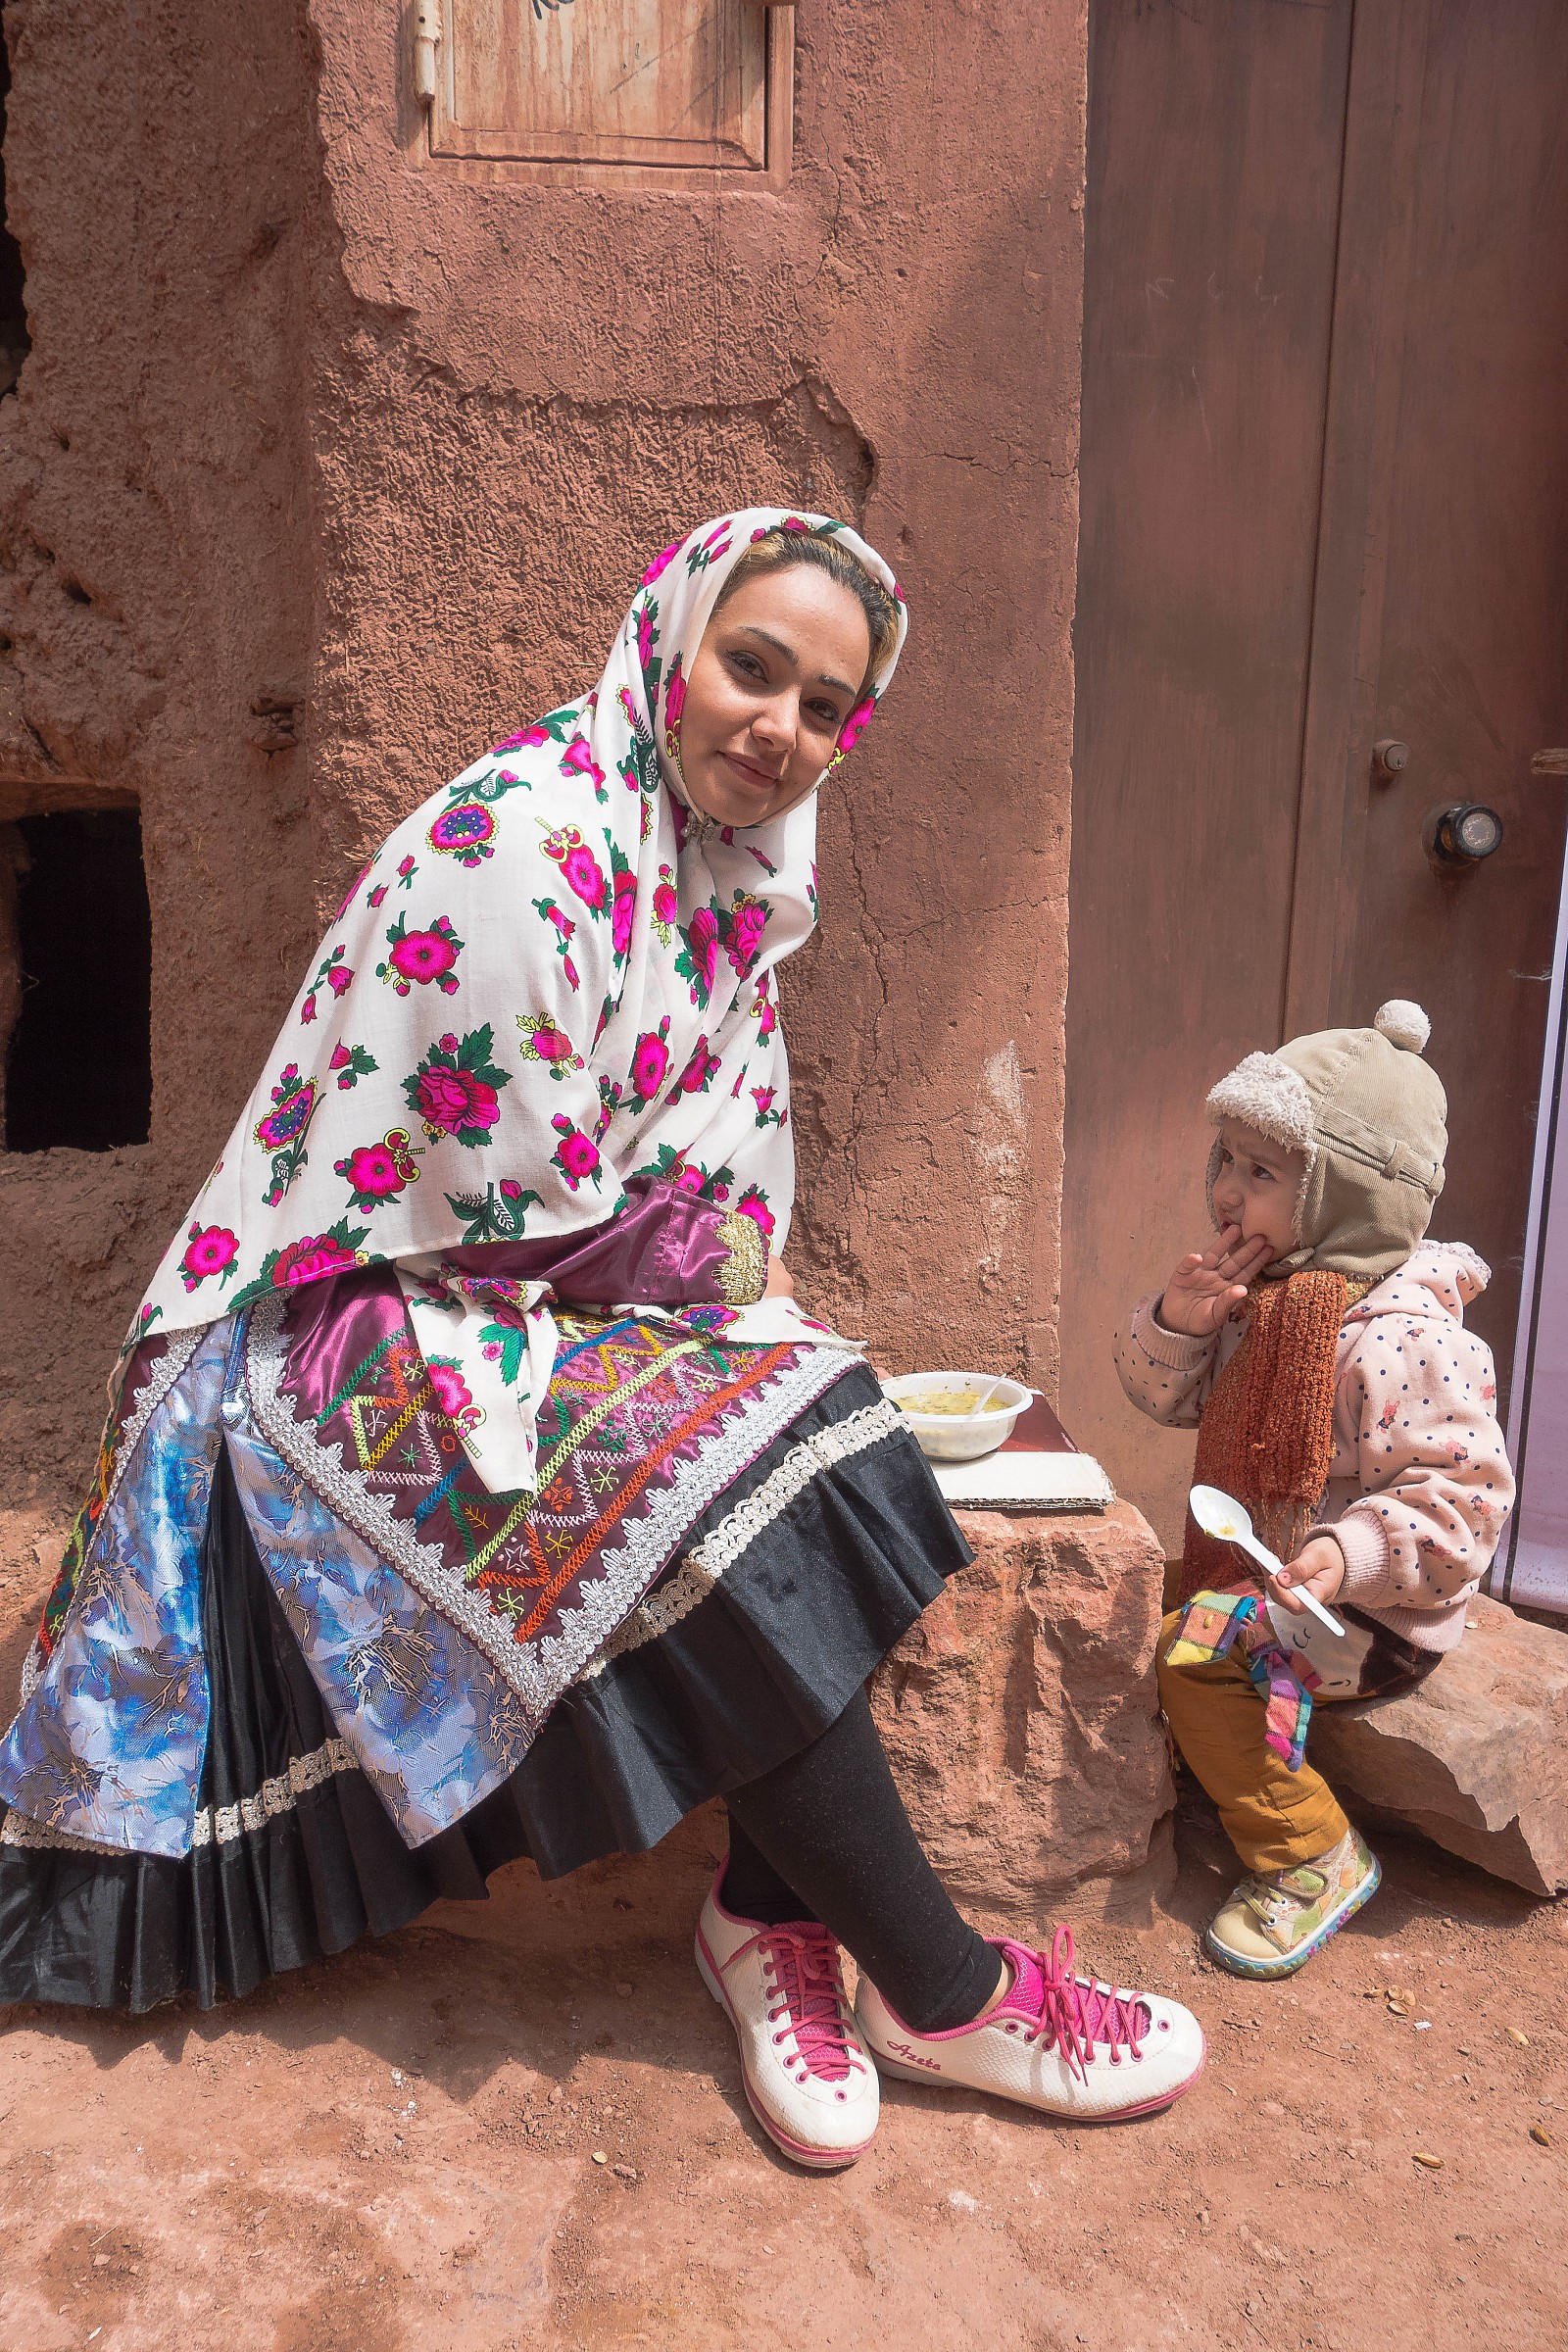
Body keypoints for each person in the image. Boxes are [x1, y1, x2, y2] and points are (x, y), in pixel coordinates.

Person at [0, 508, 1204, 2166]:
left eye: (823, 705)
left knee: (809, 1413)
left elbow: (689, 1204)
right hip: (325, 1333)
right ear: (674, 643)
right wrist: (706, 1291)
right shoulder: (533, 844)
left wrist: (725, 1300)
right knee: (704, 1464)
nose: (778, 725)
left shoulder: (716, 880)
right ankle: (945, 1990)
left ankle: (770, 1919)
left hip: (510, 1300)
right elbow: (514, 1207)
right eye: (752, 665)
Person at [1114, 1001, 1514, 1980]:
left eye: (1263, 1172)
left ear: (1348, 1194)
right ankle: (1215, 1760)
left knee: (1190, 1655)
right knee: (1145, 1601)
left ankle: (1308, 1855)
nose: (1226, 1191)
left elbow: (1463, 1506)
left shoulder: (1405, 1342)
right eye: (1226, 1160)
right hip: (1276, 1565)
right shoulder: (1275, 1304)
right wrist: (1180, 1321)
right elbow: (1165, 1402)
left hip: (1374, 1611)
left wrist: (1347, 1556)